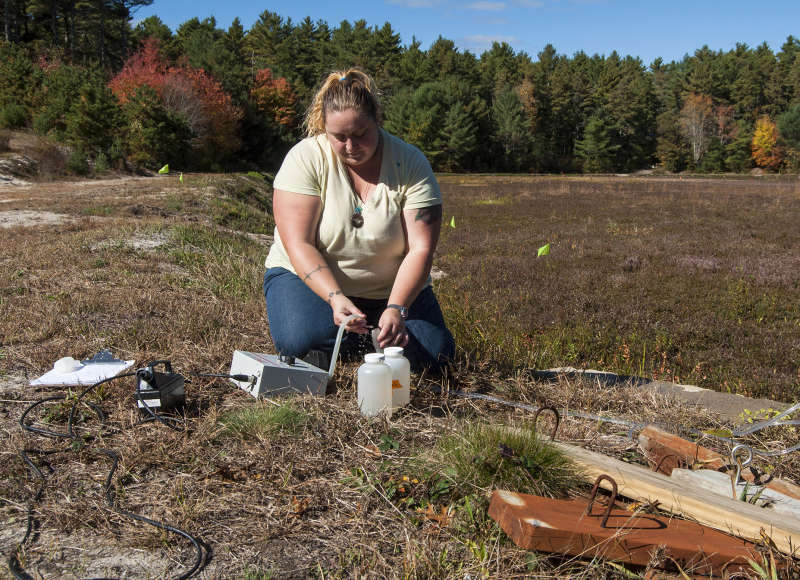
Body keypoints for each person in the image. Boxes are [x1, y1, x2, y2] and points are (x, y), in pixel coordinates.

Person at [263, 68, 454, 372]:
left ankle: (371, 333)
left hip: (388, 290)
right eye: (339, 137)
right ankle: (349, 335)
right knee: (302, 340)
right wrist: (335, 297)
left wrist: (396, 308)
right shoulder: (304, 159)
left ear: (376, 120)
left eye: (360, 134)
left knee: (435, 354)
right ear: (323, 127)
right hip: (309, 281)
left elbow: (421, 249)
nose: (351, 146)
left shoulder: (411, 163)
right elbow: (297, 243)